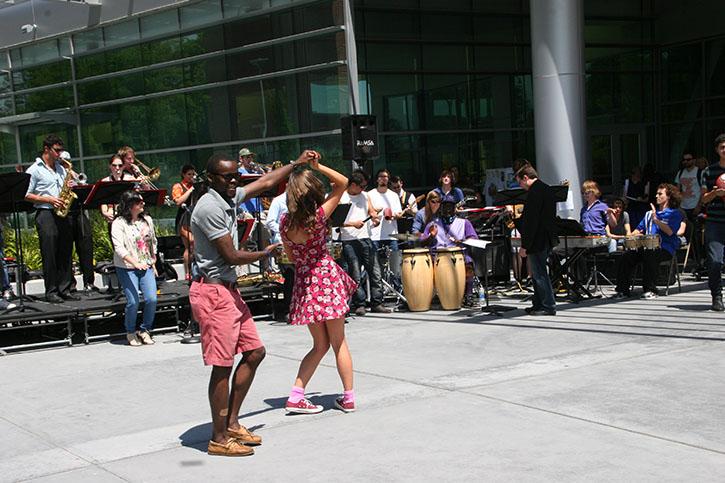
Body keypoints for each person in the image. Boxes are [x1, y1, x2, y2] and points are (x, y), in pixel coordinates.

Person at [189, 150, 310, 457]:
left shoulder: (228, 196)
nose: (234, 182)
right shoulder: (208, 207)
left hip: (228, 292)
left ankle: (231, 424)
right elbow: (230, 256)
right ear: (211, 179)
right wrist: (266, 253)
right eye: (227, 177)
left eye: (236, 177)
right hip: (213, 293)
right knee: (222, 367)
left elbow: (267, 180)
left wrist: (295, 163)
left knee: (255, 352)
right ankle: (218, 438)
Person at [281, 155, 358, 415]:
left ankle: (296, 395)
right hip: (325, 280)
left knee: (319, 345)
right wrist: (318, 167)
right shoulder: (318, 217)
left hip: (304, 285)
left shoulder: (285, 224)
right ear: (313, 192)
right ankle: (348, 397)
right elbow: (343, 183)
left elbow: (291, 258)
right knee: (339, 343)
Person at [24, 134, 78, 303]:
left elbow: (65, 186)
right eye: (57, 150)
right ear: (46, 149)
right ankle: (51, 291)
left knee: (65, 251)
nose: (60, 154)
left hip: (62, 212)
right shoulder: (34, 170)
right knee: (50, 253)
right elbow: (25, 194)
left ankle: (65, 288)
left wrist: (69, 186)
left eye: (61, 150)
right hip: (45, 212)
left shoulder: (61, 168)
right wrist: (47, 199)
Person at [612, 184, 683, 300]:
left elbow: (670, 232)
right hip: (646, 246)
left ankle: (650, 289)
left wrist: (656, 220)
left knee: (651, 253)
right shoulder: (649, 214)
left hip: (665, 248)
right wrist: (631, 236)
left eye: (660, 194)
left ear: (669, 196)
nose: (656, 196)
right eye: (657, 193)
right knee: (627, 256)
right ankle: (622, 290)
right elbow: (638, 230)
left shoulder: (674, 213)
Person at [111, 191, 158, 346]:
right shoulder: (119, 223)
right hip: (127, 266)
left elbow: (152, 242)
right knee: (133, 301)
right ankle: (130, 331)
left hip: (146, 264)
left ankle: (145, 329)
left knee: (151, 298)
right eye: (139, 202)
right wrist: (134, 262)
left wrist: (153, 262)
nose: (143, 204)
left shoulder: (147, 220)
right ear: (130, 205)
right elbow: (119, 247)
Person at [340, 170, 388, 316]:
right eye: (361, 186)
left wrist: (374, 217)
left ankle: (377, 302)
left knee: (375, 270)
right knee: (355, 273)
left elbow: (371, 210)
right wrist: (352, 224)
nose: (363, 189)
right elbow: (335, 222)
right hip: (349, 239)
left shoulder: (365, 195)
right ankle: (359, 303)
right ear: (353, 185)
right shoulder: (341, 197)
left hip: (365, 237)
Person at [419, 200, 479, 306]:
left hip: (458, 254)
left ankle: (468, 294)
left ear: (454, 209)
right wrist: (431, 236)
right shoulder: (432, 224)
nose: (447, 209)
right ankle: (433, 294)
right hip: (438, 256)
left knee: (468, 262)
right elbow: (422, 242)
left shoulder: (464, 222)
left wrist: (462, 241)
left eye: (450, 207)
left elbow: (474, 238)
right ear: (440, 209)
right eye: (444, 207)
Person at [516, 166, 557, 316]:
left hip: (537, 240)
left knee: (539, 273)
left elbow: (531, 222)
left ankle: (548, 305)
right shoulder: (547, 189)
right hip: (546, 238)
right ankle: (538, 303)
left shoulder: (534, 192)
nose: (521, 186)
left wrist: (525, 245)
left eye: (520, 182)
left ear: (526, 177)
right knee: (538, 273)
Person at [60, 151, 97, 294]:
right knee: (67, 250)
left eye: (67, 161)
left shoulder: (73, 173)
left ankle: (89, 282)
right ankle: (70, 284)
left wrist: (77, 181)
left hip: (79, 212)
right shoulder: (55, 173)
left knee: (86, 247)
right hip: (65, 215)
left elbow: (85, 188)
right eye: (62, 161)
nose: (65, 164)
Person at [699, 134, 725, 311]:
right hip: (715, 223)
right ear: (717, 150)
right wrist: (715, 194)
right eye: (722, 147)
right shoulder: (708, 172)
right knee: (715, 261)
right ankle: (716, 296)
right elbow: (703, 200)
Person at [367, 169, 403, 284]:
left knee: (395, 265)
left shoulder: (393, 195)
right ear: (377, 179)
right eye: (381, 176)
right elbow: (367, 212)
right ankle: (378, 290)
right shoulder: (370, 194)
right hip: (375, 235)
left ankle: (396, 289)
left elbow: (398, 213)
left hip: (391, 234)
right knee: (375, 266)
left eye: (386, 176)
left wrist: (396, 215)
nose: (383, 178)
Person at [264, 191, 293, 321]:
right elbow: (270, 222)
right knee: (290, 276)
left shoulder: (301, 199)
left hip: (299, 241)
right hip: (283, 241)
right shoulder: (278, 201)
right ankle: (289, 309)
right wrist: (284, 230)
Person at [675, 153, 704, 271]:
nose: (686, 162)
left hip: (695, 206)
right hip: (683, 207)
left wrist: (699, 205)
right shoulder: (680, 173)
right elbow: (677, 190)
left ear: (694, 160)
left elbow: (703, 190)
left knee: (696, 235)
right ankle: (692, 258)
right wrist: (677, 205)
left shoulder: (699, 172)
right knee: (687, 234)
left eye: (689, 159)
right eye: (684, 160)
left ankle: (700, 260)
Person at [171, 164, 196, 280]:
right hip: (184, 218)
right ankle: (187, 272)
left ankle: (196, 270)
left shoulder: (195, 185)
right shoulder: (178, 186)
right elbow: (178, 201)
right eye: (189, 174)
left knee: (196, 245)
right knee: (190, 243)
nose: (191, 176)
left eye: (193, 174)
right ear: (184, 175)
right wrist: (190, 190)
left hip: (194, 216)